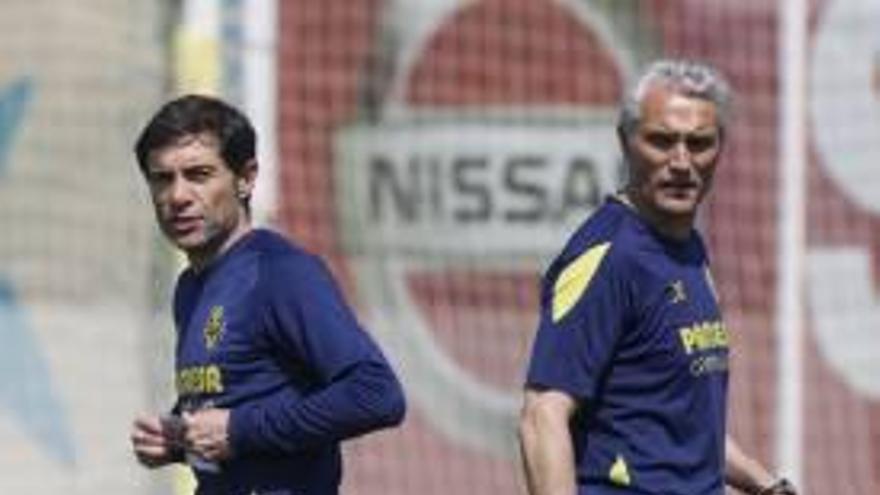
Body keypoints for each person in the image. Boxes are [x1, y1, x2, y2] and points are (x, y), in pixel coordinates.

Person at [518, 59, 797, 495]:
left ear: (721, 147)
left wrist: (766, 485)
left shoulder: (689, 248)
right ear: (626, 143)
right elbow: (542, 415)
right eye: (662, 141)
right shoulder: (608, 256)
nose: (682, 161)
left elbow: (684, 424)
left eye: (699, 143)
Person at [128, 94, 406, 495]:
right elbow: (238, 396)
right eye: (162, 178)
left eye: (199, 174)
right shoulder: (189, 287)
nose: (178, 196)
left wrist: (239, 430)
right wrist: (178, 438)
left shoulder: (280, 273)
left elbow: (378, 395)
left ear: (246, 178)